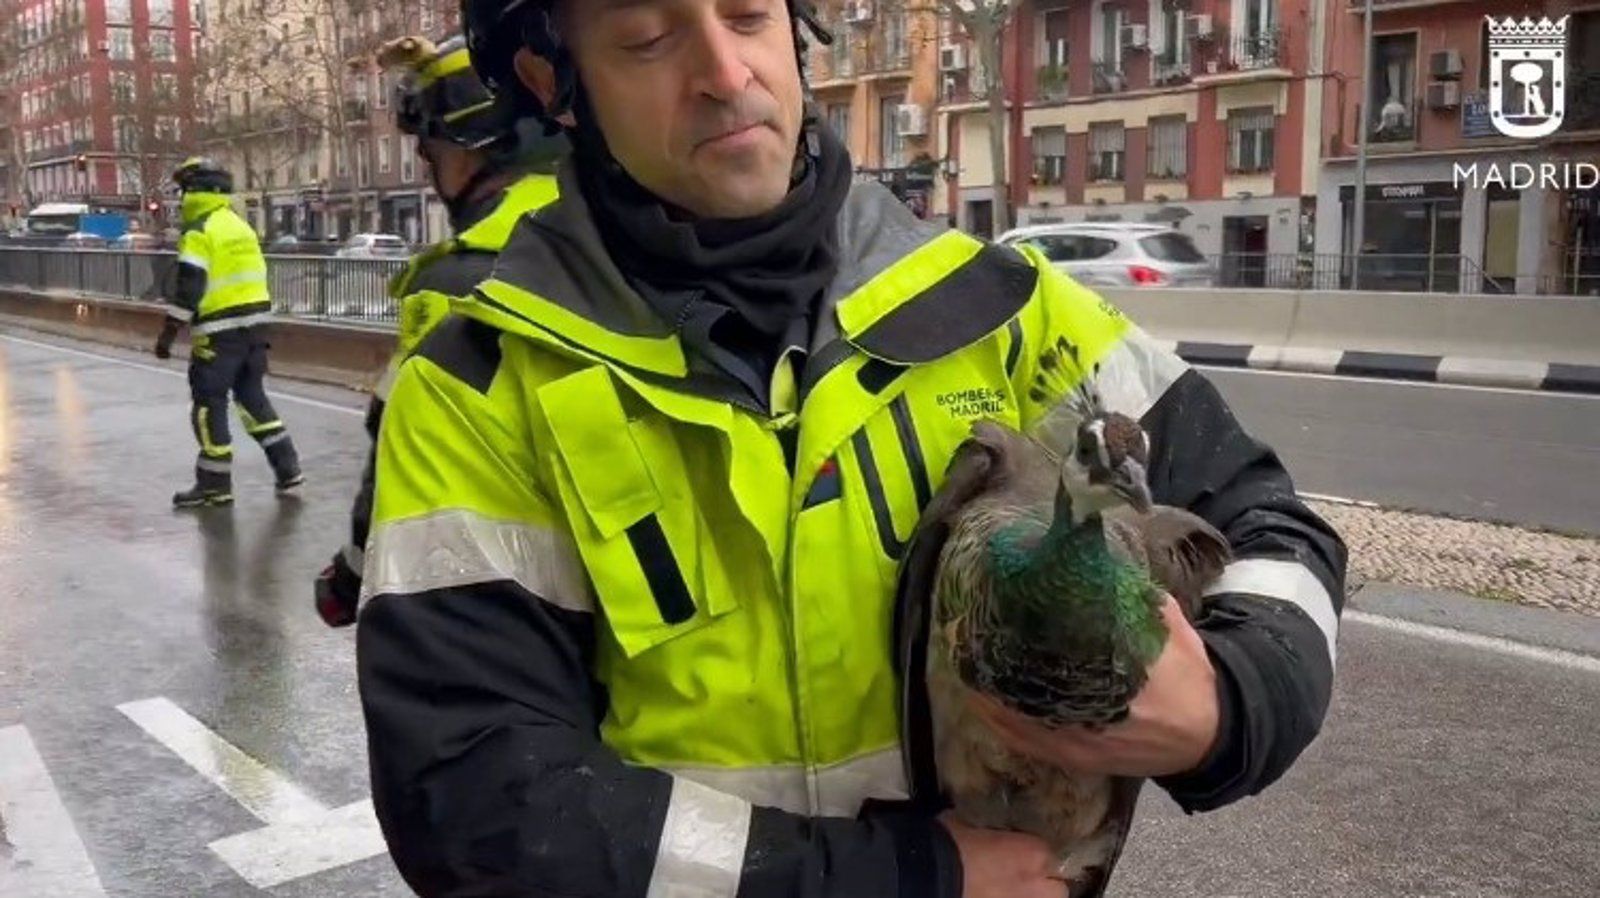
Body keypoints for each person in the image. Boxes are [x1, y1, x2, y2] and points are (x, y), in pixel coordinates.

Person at [355, 2, 1347, 896]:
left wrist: (1229, 700)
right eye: (649, 39)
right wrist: (909, 877)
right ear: (550, 81)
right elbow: (479, 801)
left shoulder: (1000, 308)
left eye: (748, 17)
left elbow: (1267, 521)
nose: (726, 73)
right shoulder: (480, 386)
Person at [312, 32, 566, 626]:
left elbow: (398, 454)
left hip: (506, 613)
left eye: (433, 154)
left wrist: (349, 577)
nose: (431, 173)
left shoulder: (461, 279)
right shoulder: (620, 227)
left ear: (481, 144)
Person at [156, 157, 302, 509]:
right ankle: (288, 468)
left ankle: (214, 486)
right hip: (255, 331)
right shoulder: (240, 226)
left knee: (209, 407)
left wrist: (169, 331)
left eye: (184, 189)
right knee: (253, 401)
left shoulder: (199, 231)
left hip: (218, 336)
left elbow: (190, 286)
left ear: (193, 191)